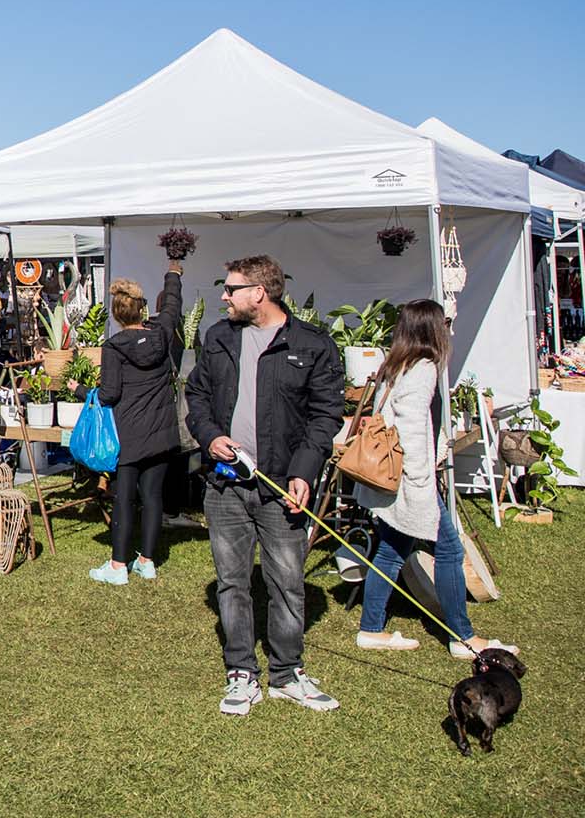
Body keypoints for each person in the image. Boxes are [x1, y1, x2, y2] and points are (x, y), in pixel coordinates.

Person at [186, 255, 346, 715]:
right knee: (232, 583)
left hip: (281, 487)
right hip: (225, 487)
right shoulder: (218, 338)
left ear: (259, 292)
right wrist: (210, 435)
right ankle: (241, 673)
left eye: (231, 289)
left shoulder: (312, 344)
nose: (223, 296)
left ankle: (286, 672)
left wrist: (304, 471)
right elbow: (196, 395)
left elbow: (325, 416)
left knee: (287, 582)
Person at [354, 300, 518, 659]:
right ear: (432, 328)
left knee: (391, 551)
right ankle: (462, 637)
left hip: (395, 478)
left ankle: (371, 629)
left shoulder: (398, 363)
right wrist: (421, 480)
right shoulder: (423, 367)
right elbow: (411, 427)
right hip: (411, 482)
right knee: (449, 550)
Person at [91, 262, 185, 585]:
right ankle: (146, 561)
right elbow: (172, 305)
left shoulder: (114, 347)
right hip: (161, 431)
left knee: (125, 498)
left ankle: (118, 566)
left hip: (129, 433)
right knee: (153, 496)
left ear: (117, 314)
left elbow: (109, 394)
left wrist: (81, 390)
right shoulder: (161, 334)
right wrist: (173, 273)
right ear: (142, 309)